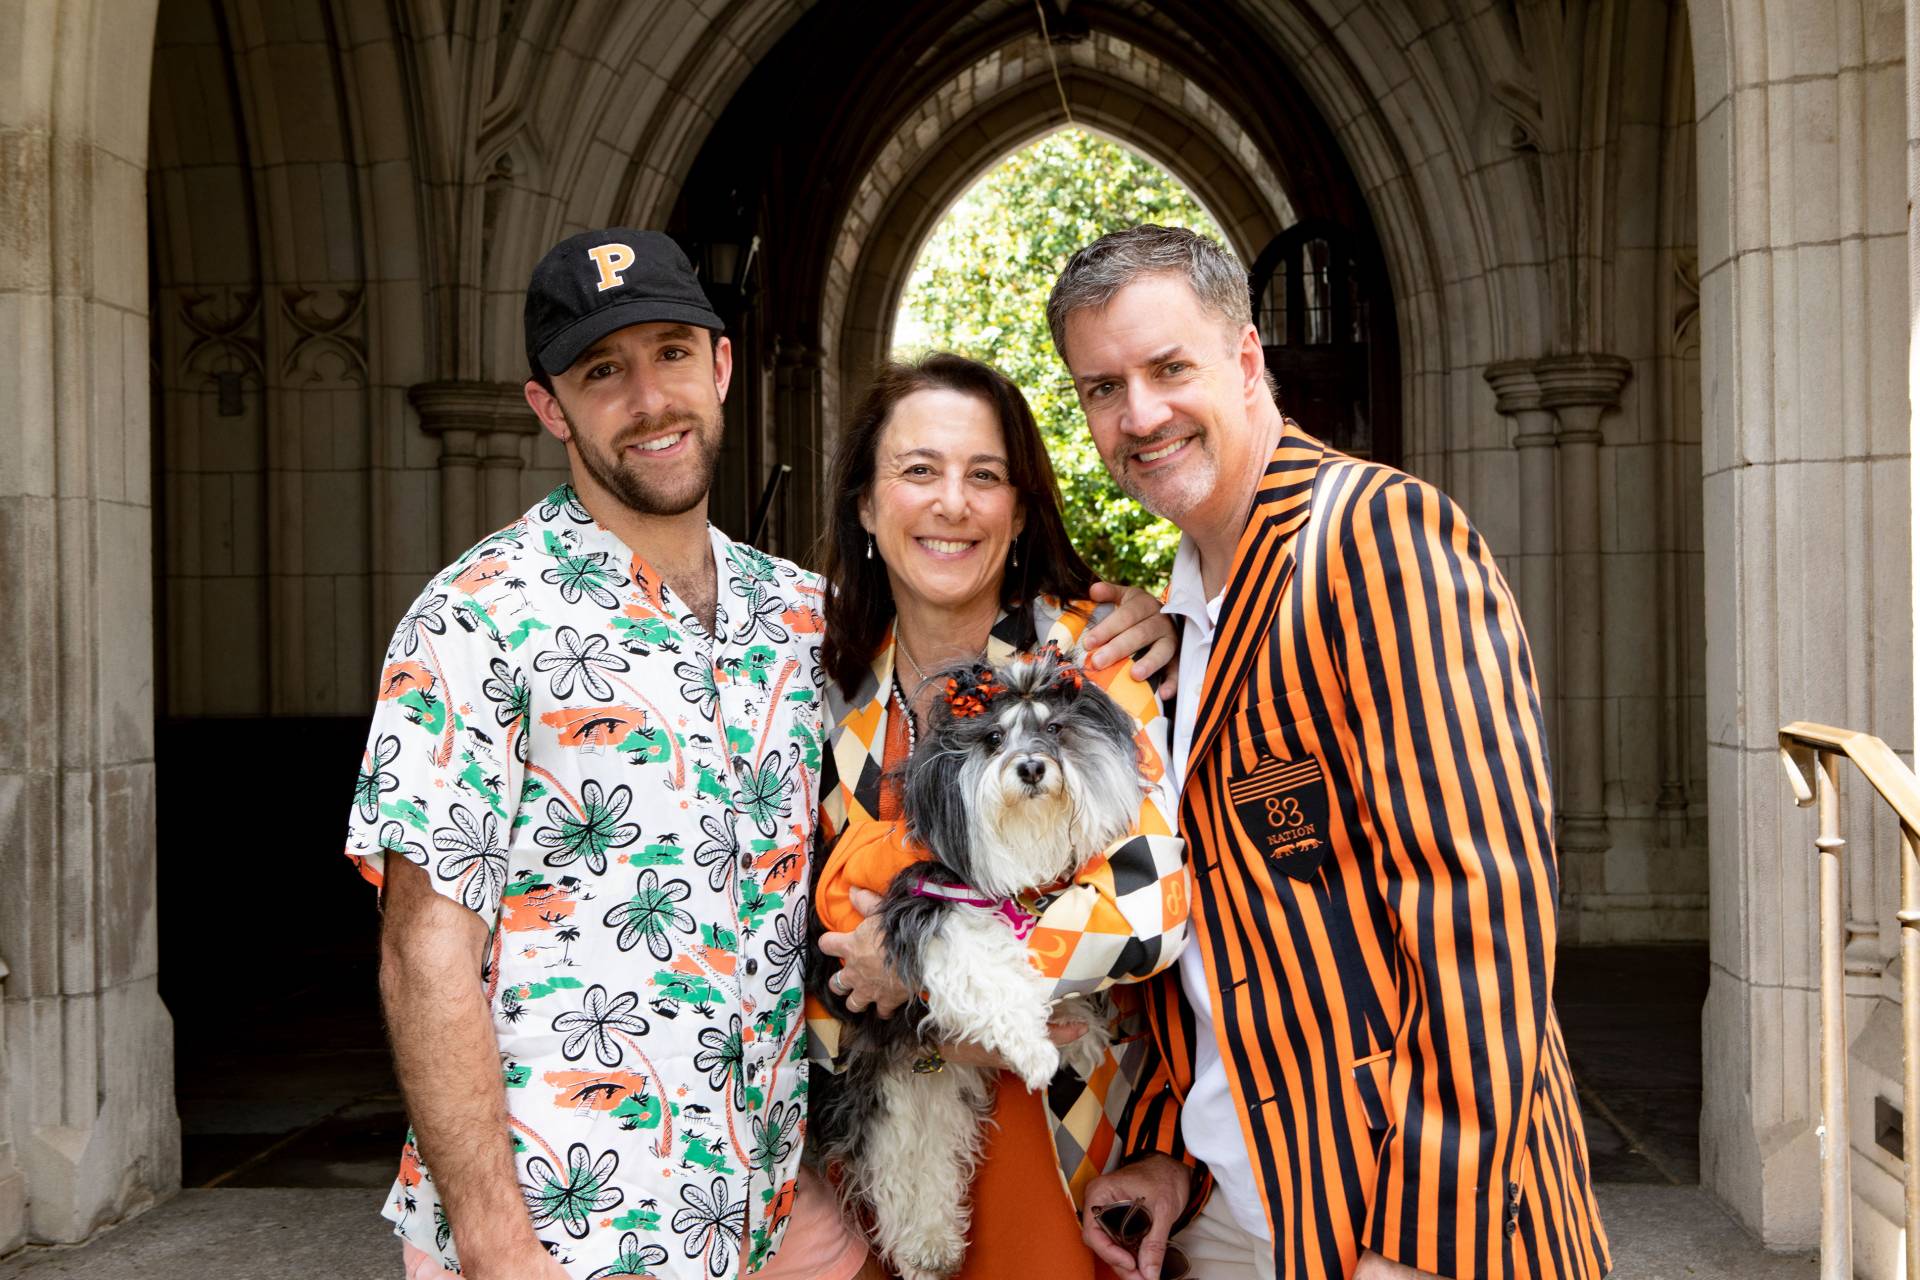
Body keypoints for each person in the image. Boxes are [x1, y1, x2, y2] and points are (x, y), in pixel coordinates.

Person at [1051, 224, 1612, 1280]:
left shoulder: (1378, 537)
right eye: (1101, 388)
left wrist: (1422, 1242)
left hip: (1404, 1228)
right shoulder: (1169, 628)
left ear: (1249, 358)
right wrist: (1173, 1152)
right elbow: (1220, 934)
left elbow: (1483, 912)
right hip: (1234, 1221)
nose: (1140, 415)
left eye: (1171, 368)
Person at [346, 228, 878, 1280]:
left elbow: (976, 681)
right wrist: (500, 1247)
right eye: (603, 370)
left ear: (720, 366)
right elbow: (423, 956)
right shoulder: (474, 618)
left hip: (763, 1208)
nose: (649, 398)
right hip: (563, 1226)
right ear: (549, 406)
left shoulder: (805, 617)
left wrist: (1137, 627)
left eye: (673, 351)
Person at [809, 353, 1193, 1280]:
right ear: (865, 504)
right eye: (919, 470)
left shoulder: (1094, 664)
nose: (953, 503)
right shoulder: (809, 681)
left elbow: (1150, 899)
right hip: (856, 1143)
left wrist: (934, 972)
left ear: (1019, 510)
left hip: (1054, 1124)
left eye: (985, 476)